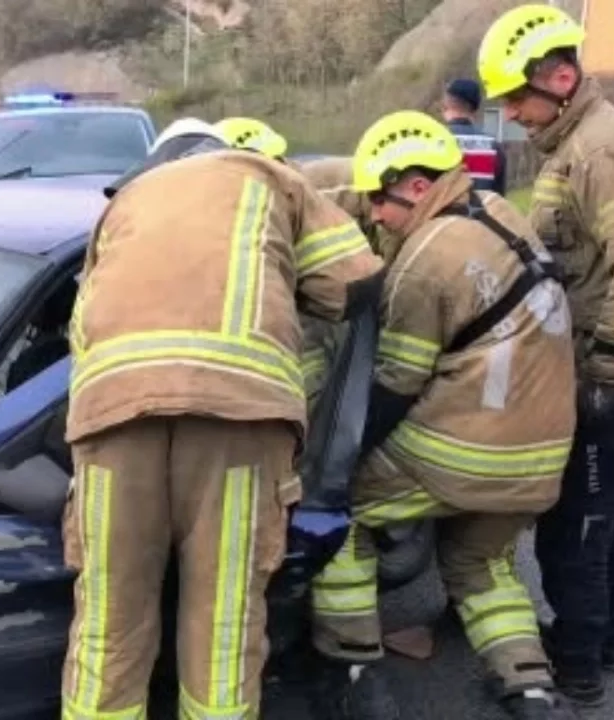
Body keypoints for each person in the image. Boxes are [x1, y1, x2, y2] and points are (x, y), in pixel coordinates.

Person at [61, 117, 384, 720]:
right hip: (239, 426)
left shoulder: (122, 202)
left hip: (114, 422)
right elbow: (356, 282)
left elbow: (81, 326)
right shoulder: (266, 177)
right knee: (224, 625)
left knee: (107, 628)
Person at [305, 110, 578, 720]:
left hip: (463, 448)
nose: (376, 214)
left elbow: (396, 385)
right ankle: (530, 688)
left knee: (338, 516)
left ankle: (354, 671)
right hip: (540, 455)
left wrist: (334, 466)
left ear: (420, 186)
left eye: (384, 200)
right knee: (479, 563)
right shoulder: (498, 212)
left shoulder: (424, 262)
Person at [478, 4, 614, 707]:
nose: (512, 114)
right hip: (605, 367)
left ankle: (578, 662)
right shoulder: (572, 142)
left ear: (560, 78)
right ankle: (607, 636)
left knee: (580, 520)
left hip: (612, 378)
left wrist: (607, 373)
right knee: (609, 510)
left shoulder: (599, 150)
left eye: (518, 98)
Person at [441, 78, 508, 195]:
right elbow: (499, 199)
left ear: (445, 105)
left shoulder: (433, 141)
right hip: (483, 212)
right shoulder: (493, 147)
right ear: (475, 108)